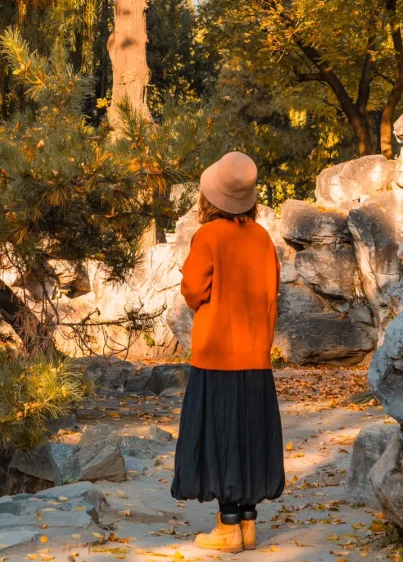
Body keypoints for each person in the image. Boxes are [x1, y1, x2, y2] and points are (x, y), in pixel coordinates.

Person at [171, 151, 284, 553]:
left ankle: (227, 527)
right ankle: (249, 525)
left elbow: (193, 291)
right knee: (250, 435)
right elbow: (273, 296)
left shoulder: (209, 236)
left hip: (217, 354)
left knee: (221, 438)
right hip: (255, 356)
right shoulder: (263, 238)